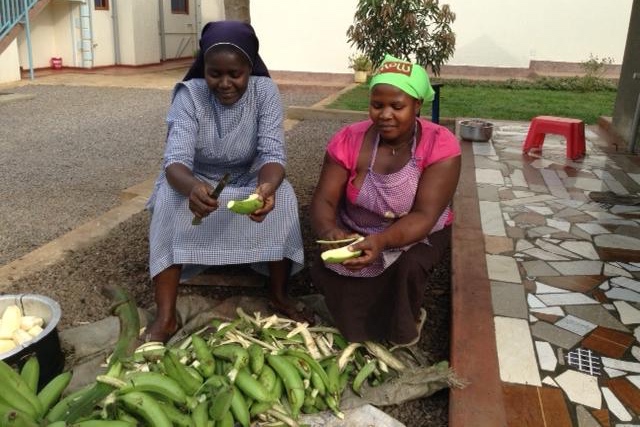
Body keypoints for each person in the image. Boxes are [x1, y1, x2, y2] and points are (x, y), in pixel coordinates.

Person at [145, 21, 311, 343]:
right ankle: (165, 316)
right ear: (202, 68)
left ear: (249, 67)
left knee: (285, 197)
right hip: (198, 178)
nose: (224, 83)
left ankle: (279, 294)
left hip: (251, 176)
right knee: (168, 198)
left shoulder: (265, 92)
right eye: (214, 73)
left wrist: (266, 189)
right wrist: (192, 187)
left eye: (234, 74)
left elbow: (272, 153)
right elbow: (174, 161)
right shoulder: (189, 95)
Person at [310, 54, 461, 346]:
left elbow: (424, 215)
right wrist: (329, 232)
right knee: (330, 266)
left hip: (417, 230)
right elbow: (323, 201)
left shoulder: (440, 145)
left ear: (417, 105)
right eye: (377, 105)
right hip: (358, 225)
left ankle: (405, 324)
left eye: (397, 106)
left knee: (408, 268)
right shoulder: (348, 140)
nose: (385, 114)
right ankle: (357, 323)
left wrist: (381, 242)